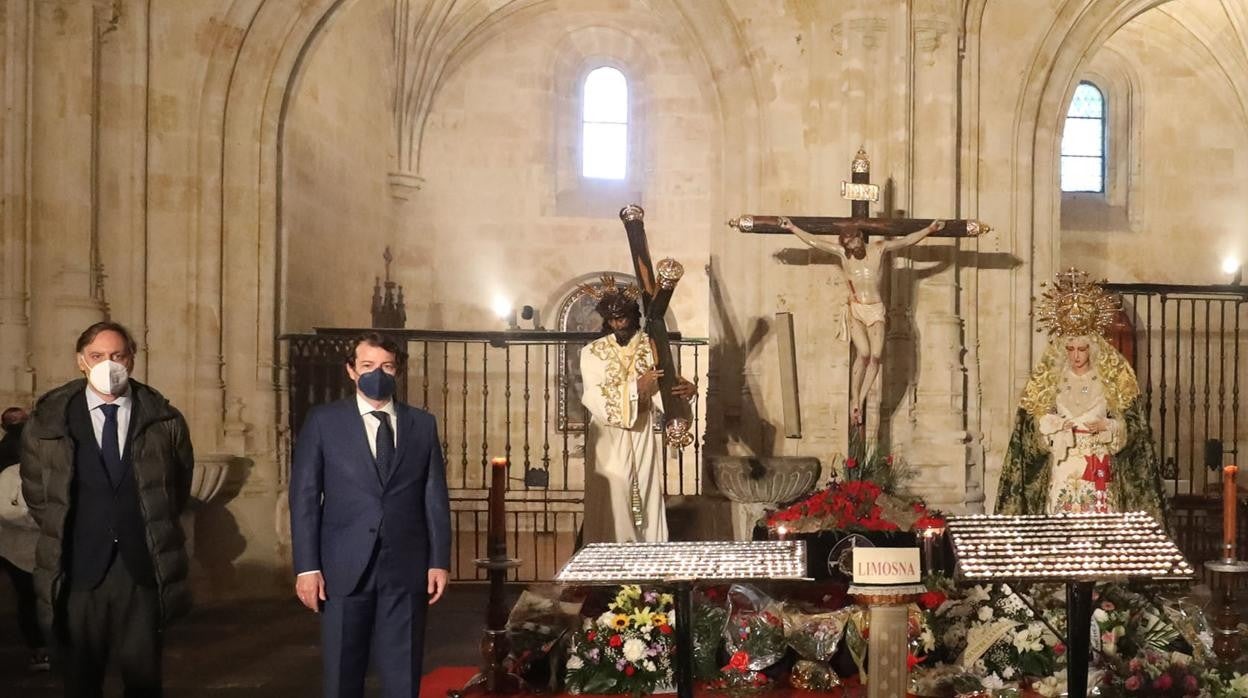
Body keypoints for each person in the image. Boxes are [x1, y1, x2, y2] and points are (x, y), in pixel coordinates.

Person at [20, 321, 195, 697]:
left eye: (117, 355)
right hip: (79, 570)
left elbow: (176, 487)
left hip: (140, 568)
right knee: (81, 680)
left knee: (144, 681)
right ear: (81, 361)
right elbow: (38, 494)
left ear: (131, 359)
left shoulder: (164, 419)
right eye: (98, 356)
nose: (108, 364)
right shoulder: (49, 419)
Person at [289, 331, 451, 698]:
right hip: (342, 567)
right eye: (367, 365)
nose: (377, 373)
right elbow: (304, 497)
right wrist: (306, 567)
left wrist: (439, 560)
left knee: (403, 677)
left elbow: (434, 497)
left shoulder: (421, 424)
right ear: (350, 370)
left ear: (397, 371)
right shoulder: (323, 422)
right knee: (343, 677)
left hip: (406, 565)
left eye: (386, 366)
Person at [995, 269, 1164, 520]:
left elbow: (1135, 430)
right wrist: (1049, 426)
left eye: (1082, 349)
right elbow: (1028, 432)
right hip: (1063, 465)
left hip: (1098, 465)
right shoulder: (1049, 379)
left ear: (1092, 348)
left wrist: (1111, 426)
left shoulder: (1114, 379)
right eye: (1071, 349)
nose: (1076, 355)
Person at [778, 216, 946, 425]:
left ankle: (861, 398)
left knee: (875, 357)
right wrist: (793, 227)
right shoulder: (843, 254)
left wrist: (929, 229)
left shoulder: (879, 249)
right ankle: (854, 398)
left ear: (859, 237)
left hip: (875, 310)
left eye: (853, 242)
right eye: (847, 245)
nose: (851, 247)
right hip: (856, 308)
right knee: (864, 354)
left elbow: (906, 241)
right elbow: (816, 242)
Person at [579, 276, 695, 544]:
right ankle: (607, 569)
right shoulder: (592, 353)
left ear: (634, 315)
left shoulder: (651, 349)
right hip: (608, 438)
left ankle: (648, 565)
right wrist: (635, 388)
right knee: (614, 501)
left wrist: (685, 394)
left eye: (623, 318)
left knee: (645, 495)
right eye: (612, 319)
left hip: (641, 431)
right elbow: (592, 395)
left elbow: (666, 393)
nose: (618, 324)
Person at [0, 406, 49, 672]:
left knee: (31, 599)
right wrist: (37, 519)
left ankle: (41, 649)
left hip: (26, 547)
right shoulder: (13, 471)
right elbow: (7, 511)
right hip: (26, 546)